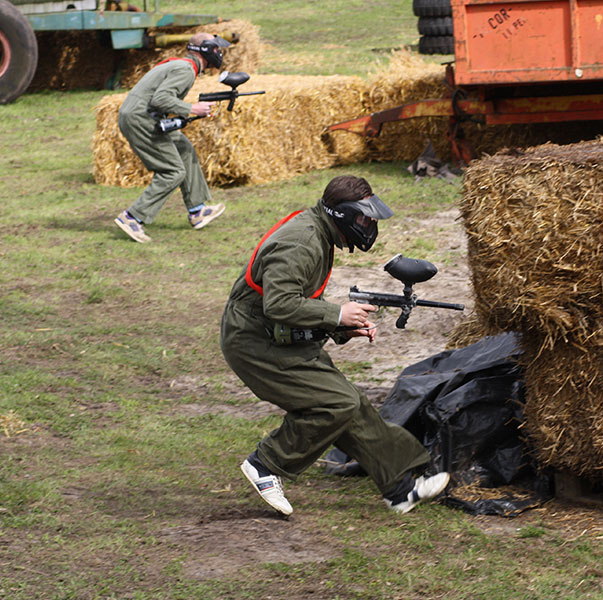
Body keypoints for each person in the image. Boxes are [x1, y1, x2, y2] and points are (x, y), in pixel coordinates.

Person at [220, 175, 450, 515]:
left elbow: (301, 299)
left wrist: (341, 326)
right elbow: (280, 304)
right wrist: (337, 314)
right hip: (254, 342)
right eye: (363, 219)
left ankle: (400, 489)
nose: (369, 226)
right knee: (335, 404)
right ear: (341, 214)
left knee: (352, 404)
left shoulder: (318, 233)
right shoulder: (303, 241)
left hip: (278, 337)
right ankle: (266, 464)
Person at [114, 32, 228, 243]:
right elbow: (160, 99)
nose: (219, 53)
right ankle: (133, 217)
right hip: (141, 118)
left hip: (143, 115)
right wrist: (191, 108)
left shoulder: (183, 65)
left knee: (184, 148)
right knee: (173, 172)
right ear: (206, 51)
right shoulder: (185, 70)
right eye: (216, 49)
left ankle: (197, 210)